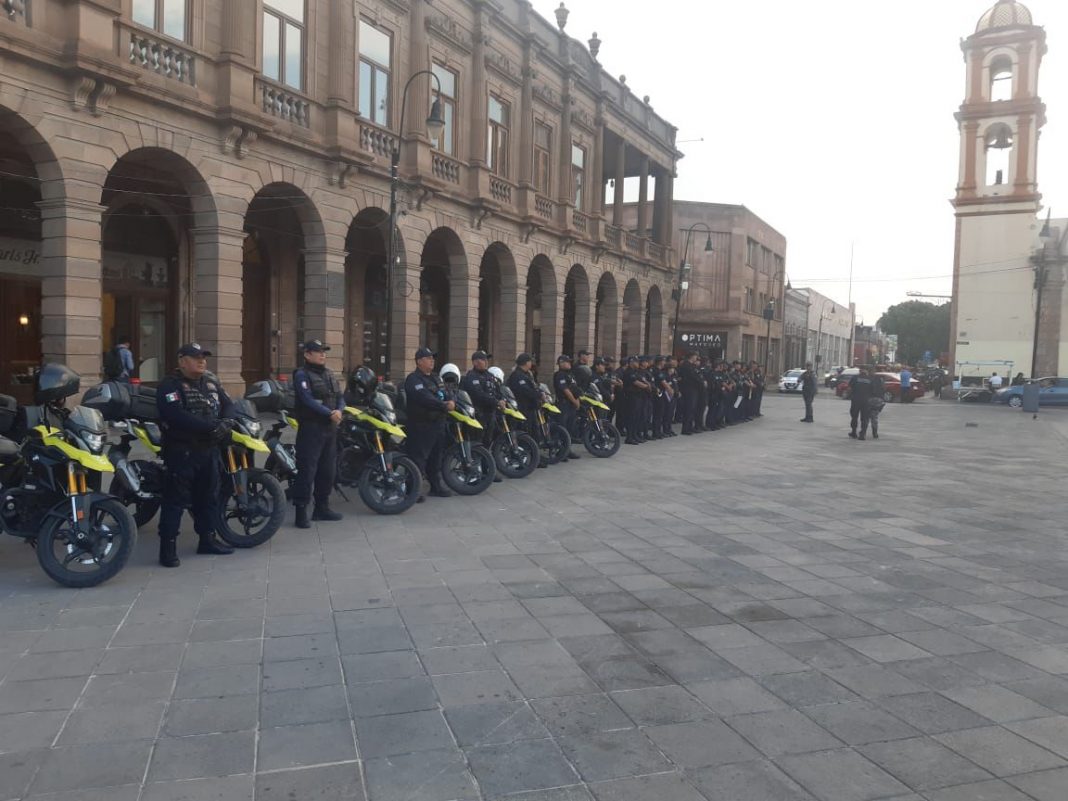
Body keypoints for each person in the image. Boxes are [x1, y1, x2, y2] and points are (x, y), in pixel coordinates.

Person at [155, 343, 236, 568]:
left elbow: (229, 404)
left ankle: (207, 540)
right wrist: (212, 427)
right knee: (175, 501)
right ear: (182, 361)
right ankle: (168, 549)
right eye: (195, 357)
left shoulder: (210, 383)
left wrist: (227, 422)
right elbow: (175, 415)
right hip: (182, 452)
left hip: (208, 451)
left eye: (203, 357)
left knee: (208, 497)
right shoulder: (170, 385)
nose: (202, 361)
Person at [291, 339, 344, 528]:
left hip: (329, 429)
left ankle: (322, 508)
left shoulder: (329, 374)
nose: (322, 354)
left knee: (327, 471)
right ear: (307, 354)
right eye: (318, 351)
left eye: (324, 351)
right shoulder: (302, 375)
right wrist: (329, 413)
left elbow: (340, 397)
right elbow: (307, 400)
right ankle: (300, 512)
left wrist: (339, 411)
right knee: (307, 471)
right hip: (311, 429)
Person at [404, 347, 455, 499]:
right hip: (421, 425)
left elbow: (448, 392)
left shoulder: (436, 378)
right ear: (419, 361)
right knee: (418, 458)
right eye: (428, 358)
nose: (432, 360)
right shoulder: (414, 379)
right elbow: (424, 398)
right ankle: (412, 490)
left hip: (438, 423)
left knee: (436, 457)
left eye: (433, 358)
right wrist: (444, 405)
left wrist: (452, 400)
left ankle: (435, 487)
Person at [462, 350, 506, 482]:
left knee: (487, 444)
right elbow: (478, 395)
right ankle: (475, 473)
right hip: (478, 415)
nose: (485, 362)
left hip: (490, 414)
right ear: (475, 362)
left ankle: (488, 471)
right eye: (482, 359)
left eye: (486, 359)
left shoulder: (489, 375)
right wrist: (496, 401)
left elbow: (498, 390)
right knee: (477, 445)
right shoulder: (471, 377)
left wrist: (502, 399)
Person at [508, 353, 548, 467]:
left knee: (534, 433)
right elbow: (526, 391)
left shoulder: (527, 374)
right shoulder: (517, 376)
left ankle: (535, 457)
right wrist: (539, 395)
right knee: (526, 434)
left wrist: (541, 392)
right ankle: (528, 459)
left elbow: (534, 386)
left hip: (530, 408)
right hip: (523, 409)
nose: (532, 363)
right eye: (530, 361)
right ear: (526, 362)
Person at [552, 355, 582, 460]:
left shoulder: (570, 374)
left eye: (570, 362)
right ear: (561, 363)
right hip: (563, 404)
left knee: (570, 428)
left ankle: (567, 450)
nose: (569, 363)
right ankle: (561, 452)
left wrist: (577, 401)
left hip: (571, 405)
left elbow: (575, 389)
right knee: (563, 428)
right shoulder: (559, 375)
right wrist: (574, 401)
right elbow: (565, 390)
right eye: (567, 362)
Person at [848, 366, 875, 440]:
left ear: (860, 370)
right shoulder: (870, 379)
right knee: (865, 418)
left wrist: (851, 395)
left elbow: (849, 388)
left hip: (856, 400)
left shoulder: (855, 378)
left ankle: (854, 432)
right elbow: (873, 391)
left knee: (854, 417)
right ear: (867, 371)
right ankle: (862, 434)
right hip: (866, 401)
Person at [677, 352, 700, 435]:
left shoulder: (692, 365)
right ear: (692, 356)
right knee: (688, 409)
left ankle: (690, 427)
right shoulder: (686, 365)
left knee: (692, 409)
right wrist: (700, 382)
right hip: (688, 389)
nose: (696, 358)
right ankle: (685, 428)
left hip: (693, 389)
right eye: (695, 356)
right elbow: (692, 377)